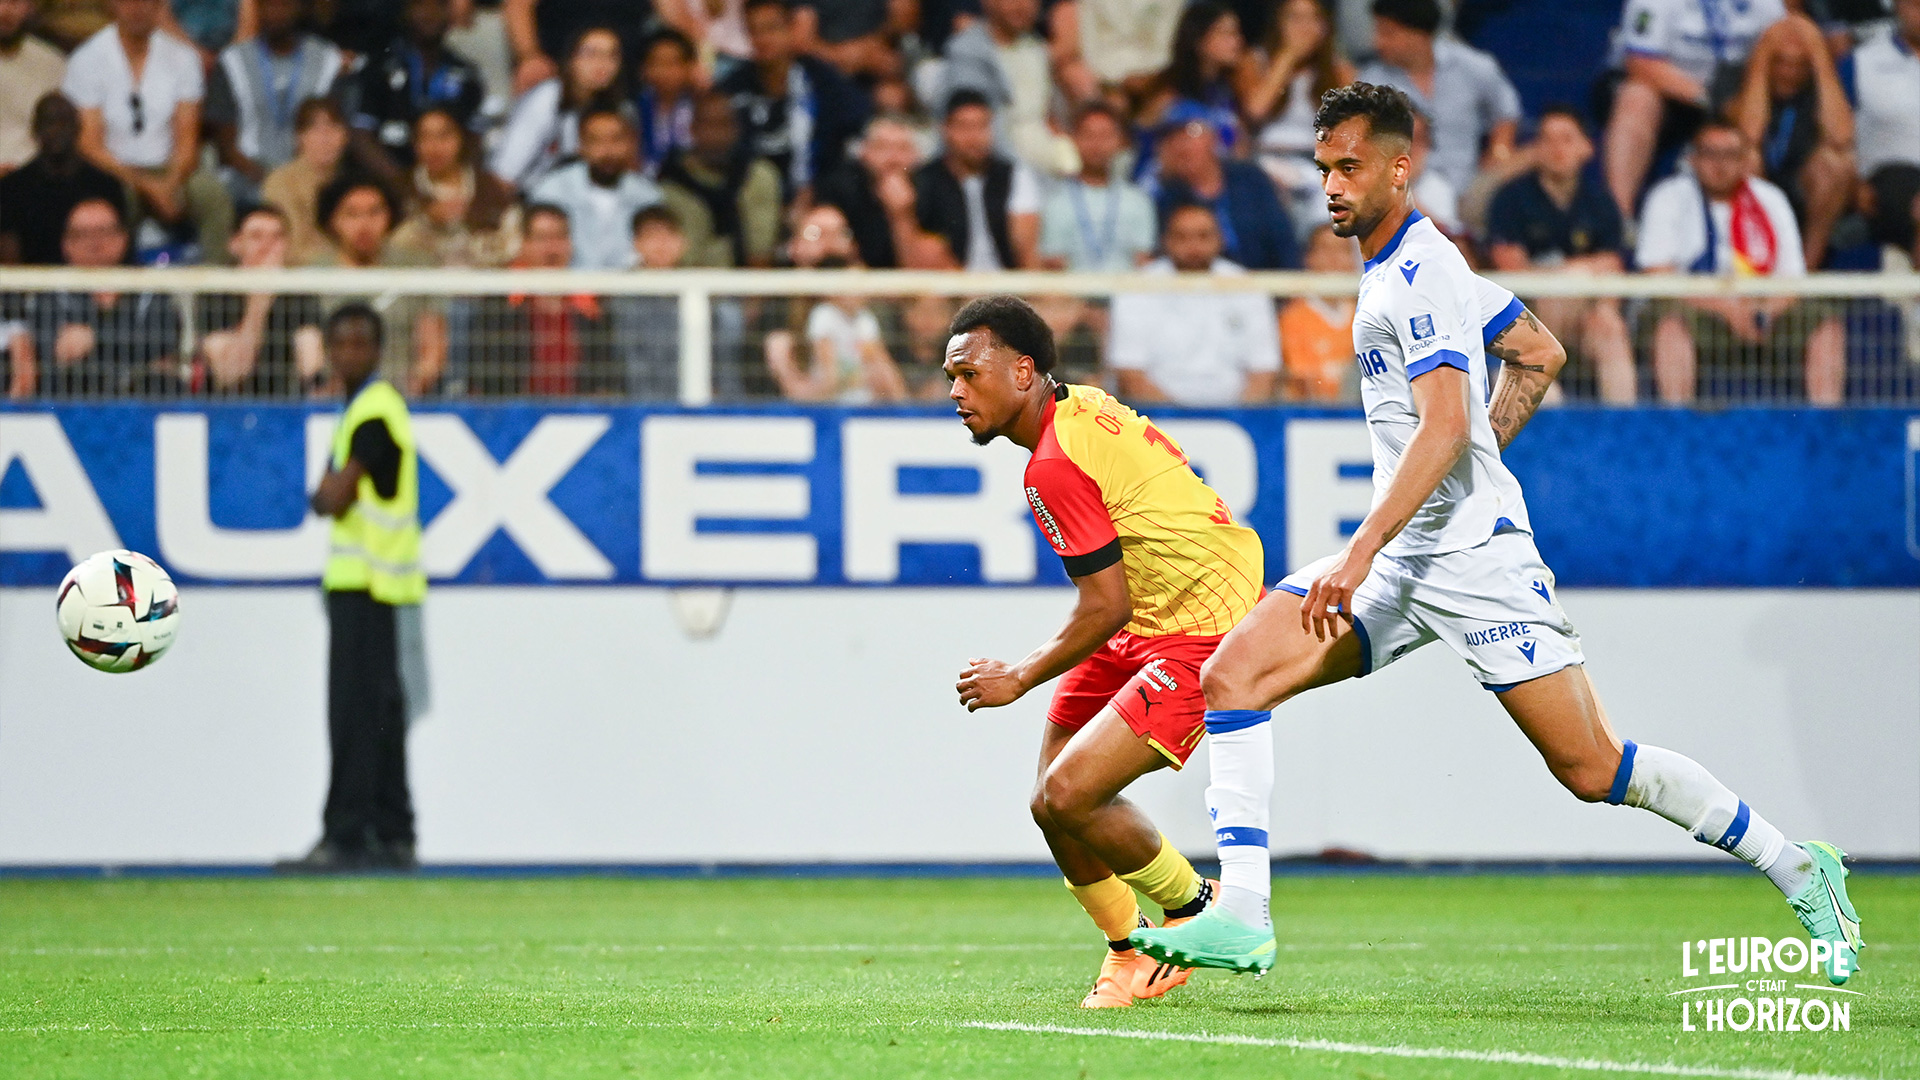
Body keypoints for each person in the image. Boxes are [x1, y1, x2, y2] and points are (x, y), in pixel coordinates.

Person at [1131, 83, 1864, 989]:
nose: (1332, 185)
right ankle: (1242, 912)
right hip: (1411, 556)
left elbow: (1442, 428)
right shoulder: (1412, 263)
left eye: (1350, 166)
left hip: (1476, 564)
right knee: (1231, 676)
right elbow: (1539, 349)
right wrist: (1457, 472)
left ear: (1402, 167)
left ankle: (1799, 866)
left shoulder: (1420, 274)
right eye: (1323, 168)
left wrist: (1370, 545)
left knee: (1594, 769)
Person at [946, 295, 1260, 1008]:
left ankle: (1191, 913)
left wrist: (1020, 676)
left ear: (1024, 372)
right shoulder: (1077, 405)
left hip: (1207, 624)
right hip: (1151, 613)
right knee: (1051, 800)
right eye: (949, 378)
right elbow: (1118, 599)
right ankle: (1128, 952)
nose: (957, 392)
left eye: (969, 374)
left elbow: (1104, 605)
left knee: (1070, 794)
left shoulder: (1051, 467)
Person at [279, 303, 426, 874]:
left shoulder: (370, 414)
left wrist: (324, 492)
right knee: (383, 713)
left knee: (354, 714)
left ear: (376, 347)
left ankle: (345, 835)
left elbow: (330, 499)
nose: (348, 353)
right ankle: (393, 832)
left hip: (364, 585)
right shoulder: (368, 409)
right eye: (339, 343)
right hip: (382, 586)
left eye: (359, 343)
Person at [1636, 121, 1844, 405]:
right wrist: (1727, 308)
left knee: (1823, 321)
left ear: (1747, 160)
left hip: (1762, 312)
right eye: (1710, 154)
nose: (1719, 165)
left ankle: (1826, 424)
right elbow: (1657, 275)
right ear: (1693, 158)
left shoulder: (1769, 198)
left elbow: (1793, 278)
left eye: (1730, 155)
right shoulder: (1668, 196)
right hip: (1698, 313)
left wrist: (1763, 311)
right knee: (1670, 323)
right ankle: (1678, 423)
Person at [1485, 106, 1635, 403]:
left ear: (1586, 148)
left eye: (1567, 139)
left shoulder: (1600, 203)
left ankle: (1625, 427)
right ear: (1535, 148)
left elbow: (1613, 267)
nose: (1557, 149)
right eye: (1547, 139)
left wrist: (1566, 275)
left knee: (1609, 326)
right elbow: (1512, 271)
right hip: (1526, 321)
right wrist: (1574, 274)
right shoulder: (1510, 199)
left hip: (1585, 319)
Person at [63, 0, 233, 259]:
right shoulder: (87, 59)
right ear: (113, 6)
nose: (137, 8)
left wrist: (169, 184)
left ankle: (213, 288)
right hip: (114, 172)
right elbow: (90, 145)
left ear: (159, 7)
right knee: (119, 200)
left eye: (148, 2)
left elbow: (187, 141)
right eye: (129, 2)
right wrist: (148, 187)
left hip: (170, 168)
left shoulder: (184, 58)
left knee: (212, 196)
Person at [1602, 0, 1785, 222]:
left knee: (1752, 126)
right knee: (1637, 97)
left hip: (1737, 89)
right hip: (1668, 89)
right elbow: (1641, 63)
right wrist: (1711, 100)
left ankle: (1749, 230)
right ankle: (1617, 218)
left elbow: (1782, 48)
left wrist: (1747, 99)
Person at [9, 196, 182, 397]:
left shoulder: (149, 289)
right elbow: (51, 351)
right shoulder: (49, 294)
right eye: (82, 234)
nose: (94, 243)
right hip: (73, 400)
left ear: (122, 238)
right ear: (66, 244)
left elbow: (164, 340)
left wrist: (94, 338)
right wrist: (128, 342)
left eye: (103, 232)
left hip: (139, 399)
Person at [1109, 203, 1279, 405]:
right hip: (1157, 417)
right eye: (1182, 237)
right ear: (1165, 241)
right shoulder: (1137, 289)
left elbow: (1263, 370)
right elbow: (1130, 373)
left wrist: (1237, 418)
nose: (1193, 247)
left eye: (1203, 236)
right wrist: (1181, 420)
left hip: (1236, 414)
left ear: (1220, 239)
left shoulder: (1247, 287)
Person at [1727, 15, 1855, 270]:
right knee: (1747, 159)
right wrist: (1761, 62)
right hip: (1754, 186)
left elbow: (1842, 137)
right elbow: (1749, 134)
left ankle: (1803, 278)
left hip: (1803, 187)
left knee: (1837, 164)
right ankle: (1755, 273)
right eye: (1781, 63)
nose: (1789, 73)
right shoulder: (1733, 77)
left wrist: (1820, 56)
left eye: (1800, 65)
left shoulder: (1818, 86)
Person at [1357, 0, 1520, 198]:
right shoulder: (1371, 82)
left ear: (1418, 35)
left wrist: (1498, 150)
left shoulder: (1471, 66)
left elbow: (1506, 109)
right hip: (1406, 188)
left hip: (1468, 187)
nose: (1378, 43)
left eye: (1388, 33)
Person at [306, 174, 449, 395]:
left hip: (403, 398)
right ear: (333, 220)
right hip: (332, 401)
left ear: (390, 217)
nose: (364, 224)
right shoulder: (311, 276)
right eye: (352, 214)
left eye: (374, 212)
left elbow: (432, 348)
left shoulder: (417, 268)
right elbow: (309, 351)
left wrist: (407, 393)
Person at [716, 0, 870, 205]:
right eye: (754, 30)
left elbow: (857, 122)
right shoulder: (733, 88)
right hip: (750, 196)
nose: (762, 39)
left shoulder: (821, 80)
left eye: (771, 28)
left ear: (791, 29)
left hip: (817, 193)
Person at [204, 0, 344, 205]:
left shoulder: (327, 59)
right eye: (268, 5)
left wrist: (296, 179)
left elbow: (334, 133)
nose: (276, 13)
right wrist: (273, 180)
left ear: (301, 8)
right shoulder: (232, 61)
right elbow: (226, 145)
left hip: (312, 177)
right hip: (246, 179)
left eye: (284, 5)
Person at [471, 204, 620, 395]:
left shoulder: (594, 309)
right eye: (541, 238)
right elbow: (483, 383)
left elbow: (606, 381)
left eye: (559, 237)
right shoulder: (499, 306)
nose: (552, 249)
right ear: (524, 244)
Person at [342, 0, 486, 184]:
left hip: (446, 187)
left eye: (438, 5)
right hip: (388, 186)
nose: (430, 13)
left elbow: (474, 139)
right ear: (406, 12)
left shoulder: (466, 73)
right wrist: (403, 184)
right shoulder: (379, 67)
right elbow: (361, 136)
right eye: (421, 5)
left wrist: (459, 183)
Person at [1246, 0, 1357, 237]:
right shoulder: (1255, 61)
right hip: (1268, 157)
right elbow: (1255, 110)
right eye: (1294, 18)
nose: (1303, 27)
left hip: (1318, 161)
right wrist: (1287, 58)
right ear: (1278, 24)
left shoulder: (1339, 70)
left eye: (1311, 19)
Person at [195, 203, 325, 395]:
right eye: (256, 237)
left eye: (277, 237)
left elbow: (311, 368)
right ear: (235, 244)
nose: (267, 246)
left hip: (284, 406)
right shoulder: (216, 293)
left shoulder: (299, 295)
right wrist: (260, 299)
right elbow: (230, 373)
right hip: (227, 408)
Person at [1153, 101, 1299, 270]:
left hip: (1262, 282)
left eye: (1192, 133)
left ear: (1213, 138)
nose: (1183, 145)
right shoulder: (1167, 196)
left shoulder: (1249, 179)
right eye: (1173, 137)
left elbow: (1282, 238)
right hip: (1204, 286)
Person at [906, 88, 1040, 270]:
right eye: (965, 127)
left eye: (982, 126)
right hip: (950, 284)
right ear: (946, 129)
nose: (974, 137)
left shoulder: (1014, 175)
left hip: (1008, 284)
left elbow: (1025, 248)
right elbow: (925, 248)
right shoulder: (924, 179)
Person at [489, 24, 628, 191]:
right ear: (570, 59)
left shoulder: (618, 107)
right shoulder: (547, 98)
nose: (602, 63)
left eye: (611, 55)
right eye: (591, 54)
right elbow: (505, 172)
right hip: (529, 197)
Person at [938, 0, 1065, 177]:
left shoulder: (1036, 48)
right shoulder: (967, 52)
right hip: (1003, 169)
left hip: (1049, 160)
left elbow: (1053, 118)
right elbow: (978, 127)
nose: (1021, 6)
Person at [657, 90, 783, 268]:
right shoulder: (670, 185)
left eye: (724, 125)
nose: (717, 135)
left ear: (736, 129)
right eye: (708, 125)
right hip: (686, 285)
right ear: (692, 129)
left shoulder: (758, 176)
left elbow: (761, 252)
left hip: (747, 286)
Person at [529, 105, 664, 269]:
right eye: (596, 141)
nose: (607, 151)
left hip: (629, 292)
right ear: (580, 145)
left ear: (630, 143)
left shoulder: (647, 196)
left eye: (616, 140)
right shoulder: (552, 191)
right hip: (567, 290)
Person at [0, 93, 126, 265]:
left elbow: (119, 250)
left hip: (94, 280)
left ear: (78, 128)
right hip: (33, 286)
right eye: (49, 122)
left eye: (64, 121)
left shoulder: (107, 186)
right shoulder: (12, 188)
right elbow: (10, 259)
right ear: (35, 130)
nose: (57, 129)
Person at [390, 106, 522, 267]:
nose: (434, 146)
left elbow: (512, 241)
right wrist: (427, 220)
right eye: (425, 137)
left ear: (461, 138)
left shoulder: (488, 187)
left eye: (443, 136)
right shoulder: (400, 188)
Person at [1841, 0, 1920, 266]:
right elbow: (1833, 134)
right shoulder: (1861, 62)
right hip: (1888, 187)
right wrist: (1852, 182)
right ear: (1896, 5)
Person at [1039, 101, 1156, 273]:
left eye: (1105, 135)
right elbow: (1053, 264)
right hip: (1072, 296)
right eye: (1088, 135)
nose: (1097, 144)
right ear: (1073, 139)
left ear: (1120, 141)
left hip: (1128, 296)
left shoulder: (1138, 200)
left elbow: (1143, 262)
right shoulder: (1055, 201)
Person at [814, 111, 925, 269]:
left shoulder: (931, 188)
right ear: (864, 152)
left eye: (902, 148)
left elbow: (923, 269)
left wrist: (901, 216)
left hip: (912, 284)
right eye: (882, 147)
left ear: (917, 156)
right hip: (852, 282)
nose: (892, 159)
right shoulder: (840, 186)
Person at [1138, 1, 1248, 156]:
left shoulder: (1227, 91)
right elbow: (1145, 142)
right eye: (1226, 33)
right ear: (1199, 40)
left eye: (1237, 33)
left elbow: (1239, 148)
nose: (1238, 41)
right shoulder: (1169, 93)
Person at [1276, 222, 1359, 401]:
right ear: (1309, 258)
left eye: (1343, 250)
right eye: (1325, 249)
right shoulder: (1293, 317)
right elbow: (1303, 381)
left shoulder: (1368, 313)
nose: (1334, 258)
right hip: (1313, 416)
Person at [261, 97, 349, 265]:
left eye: (333, 128)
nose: (325, 138)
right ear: (299, 137)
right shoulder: (282, 182)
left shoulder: (353, 181)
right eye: (315, 130)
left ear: (345, 135)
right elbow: (291, 245)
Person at [0, 0, 67, 174]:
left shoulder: (53, 63)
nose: (5, 11)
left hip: (38, 176)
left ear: (30, 7)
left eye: (14, 2)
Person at [632, 27, 697, 177]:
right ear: (643, 69)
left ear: (689, 67)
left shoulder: (701, 109)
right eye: (657, 63)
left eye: (673, 63)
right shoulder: (632, 110)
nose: (665, 71)